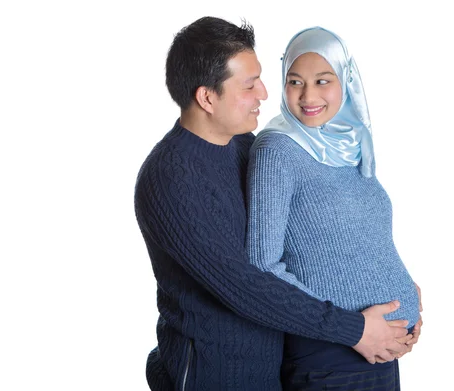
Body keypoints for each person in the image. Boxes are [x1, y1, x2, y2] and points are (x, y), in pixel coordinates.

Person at [134, 17, 414, 391]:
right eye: (250, 85)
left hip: (273, 369)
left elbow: (316, 241)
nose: (265, 93)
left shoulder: (244, 147)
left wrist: (399, 295)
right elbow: (245, 285)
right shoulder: (170, 177)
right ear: (207, 97)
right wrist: (356, 329)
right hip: (214, 377)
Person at [246, 27, 422, 390]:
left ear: (346, 82)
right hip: (331, 356)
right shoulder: (276, 151)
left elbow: (363, 243)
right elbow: (262, 265)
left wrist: (406, 293)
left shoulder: (348, 143)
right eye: (295, 82)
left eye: (322, 81)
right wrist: (353, 328)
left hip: (376, 352)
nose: (308, 95)